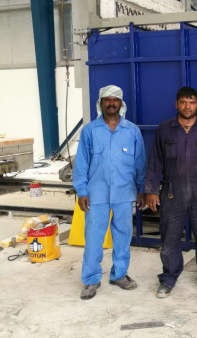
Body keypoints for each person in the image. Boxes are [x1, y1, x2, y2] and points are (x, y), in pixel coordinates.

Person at [144, 87, 197, 298]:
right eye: (183, 102)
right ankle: (169, 277)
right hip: (172, 190)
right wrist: (151, 190)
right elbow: (155, 162)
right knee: (170, 237)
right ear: (176, 104)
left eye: (191, 103)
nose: (187, 107)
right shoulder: (165, 129)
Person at [73, 85, 147, 300]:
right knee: (93, 237)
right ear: (101, 103)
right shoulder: (90, 131)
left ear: (121, 103)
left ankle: (119, 274)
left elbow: (140, 163)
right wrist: (81, 191)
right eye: (107, 99)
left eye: (115, 100)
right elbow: (81, 163)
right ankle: (91, 279)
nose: (111, 103)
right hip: (96, 194)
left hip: (125, 193)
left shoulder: (132, 131)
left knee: (123, 236)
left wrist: (142, 189)